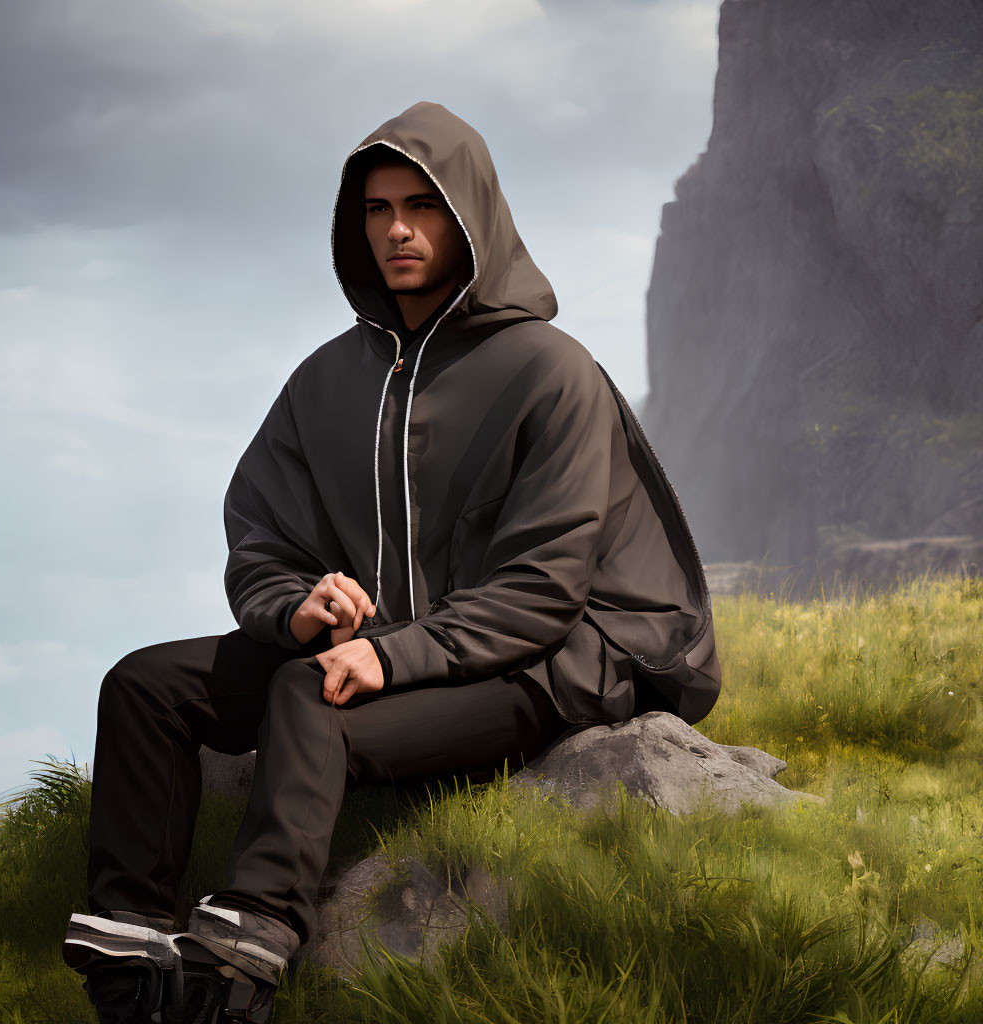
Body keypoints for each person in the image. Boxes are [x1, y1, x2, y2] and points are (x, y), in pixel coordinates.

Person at [60, 100, 721, 1023]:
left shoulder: (552, 371)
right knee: (144, 685)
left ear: (471, 216)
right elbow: (261, 534)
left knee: (309, 697)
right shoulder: (327, 380)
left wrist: (387, 657)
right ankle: (130, 971)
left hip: (564, 658)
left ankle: (243, 963)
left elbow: (543, 592)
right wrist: (298, 607)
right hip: (410, 641)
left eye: (423, 205)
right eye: (376, 209)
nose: (398, 229)